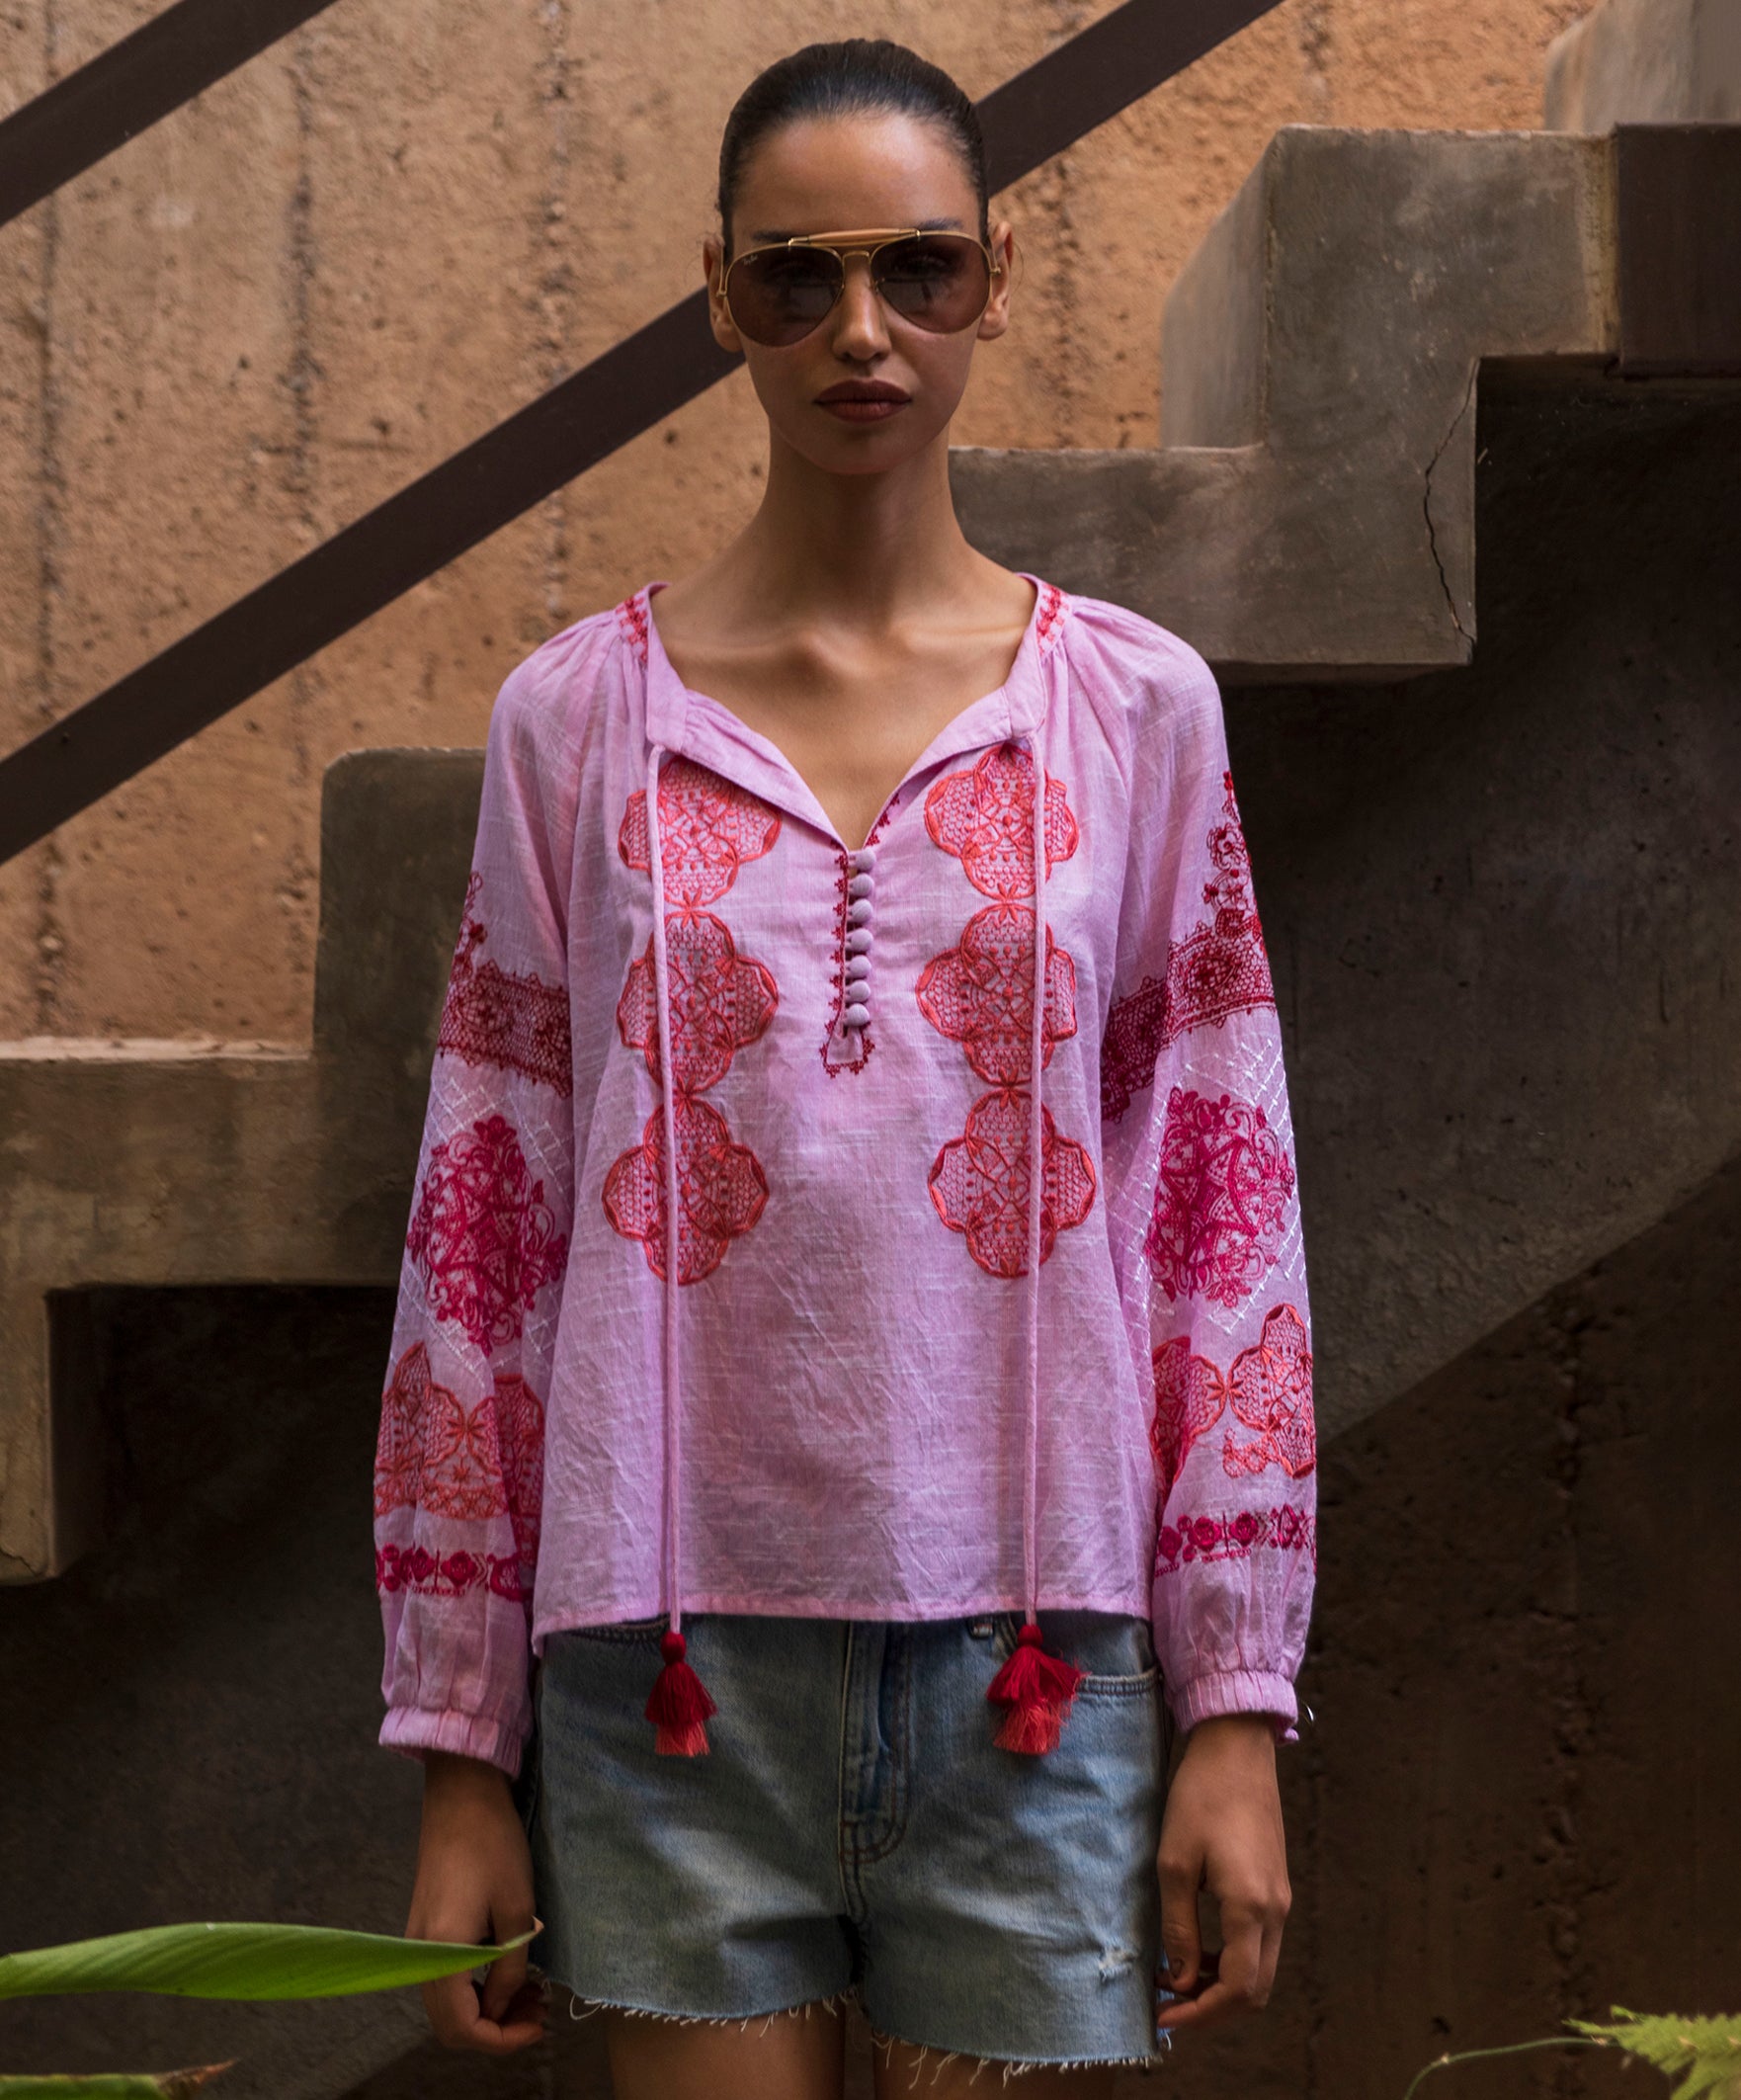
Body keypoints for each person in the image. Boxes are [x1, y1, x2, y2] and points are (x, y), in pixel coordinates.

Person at [373, 36, 1315, 2099]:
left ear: (994, 278)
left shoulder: (1135, 714)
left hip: (1040, 1674)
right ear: (718, 291)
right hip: (660, 1669)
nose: (859, 330)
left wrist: (1232, 1704)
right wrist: (459, 1745)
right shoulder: (575, 726)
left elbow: (1217, 1211)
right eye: (795, 278)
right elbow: (484, 1225)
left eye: (919, 269)